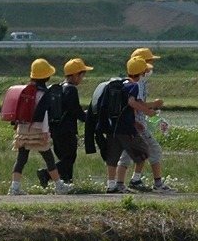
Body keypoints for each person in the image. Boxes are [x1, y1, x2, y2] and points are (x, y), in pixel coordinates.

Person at [9, 58, 73, 195]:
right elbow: (44, 114)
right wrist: (45, 131)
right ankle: (58, 185)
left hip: (23, 128)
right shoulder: (45, 93)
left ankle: (14, 187)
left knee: (21, 159)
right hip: (38, 129)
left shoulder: (26, 89)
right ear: (47, 76)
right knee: (49, 158)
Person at [104, 56, 163, 194]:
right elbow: (131, 102)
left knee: (114, 157)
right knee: (144, 152)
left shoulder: (121, 84)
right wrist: (147, 111)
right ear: (142, 72)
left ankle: (112, 185)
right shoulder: (134, 86)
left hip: (114, 127)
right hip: (127, 128)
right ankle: (135, 180)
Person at [124, 47, 173, 192]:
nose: (152, 66)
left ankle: (120, 183)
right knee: (154, 150)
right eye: (150, 62)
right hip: (137, 123)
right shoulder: (138, 82)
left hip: (135, 122)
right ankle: (155, 183)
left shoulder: (140, 81)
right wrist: (153, 105)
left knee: (128, 154)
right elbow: (136, 103)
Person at [38, 57, 91, 188]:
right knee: (69, 158)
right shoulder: (71, 89)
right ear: (75, 75)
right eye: (82, 75)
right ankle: (46, 173)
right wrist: (86, 117)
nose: (82, 78)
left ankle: (67, 183)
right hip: (67, 130)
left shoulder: (55, 88)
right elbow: (75, 110)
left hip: (55, 130)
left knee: (64, 158)